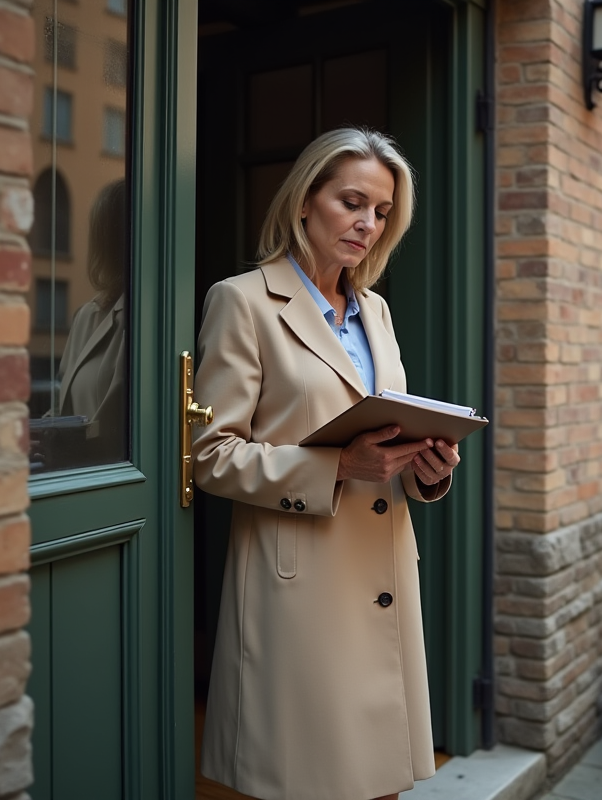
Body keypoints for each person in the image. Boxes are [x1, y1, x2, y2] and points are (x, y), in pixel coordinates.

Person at [193, 127, 460, 800]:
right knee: (306, 780)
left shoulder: (377, 311)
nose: (367, 223)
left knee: (382, 780)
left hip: (385, 570)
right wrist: (339, 466)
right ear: (305, 201)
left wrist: (427, 467)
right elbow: (210, 457)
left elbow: (387, 437)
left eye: (381, 212)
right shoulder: (242, 301)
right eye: (352, 202)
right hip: (298, 581)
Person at [30, 178, 128, 471]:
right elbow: (63, 406)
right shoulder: (86, 315)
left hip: (110, 478)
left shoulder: (145, 318)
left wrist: (61, 443)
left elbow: (123, 428)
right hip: (72, 473)